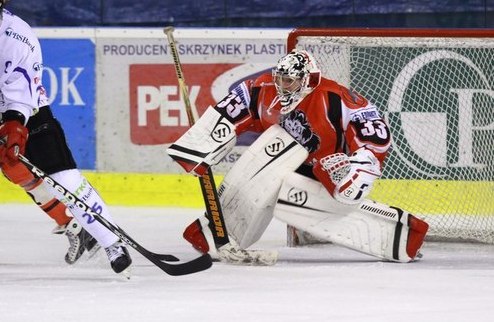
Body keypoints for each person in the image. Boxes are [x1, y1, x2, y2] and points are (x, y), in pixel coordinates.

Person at [167, 49, 429, 263]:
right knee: (276, 144)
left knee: (290, 198)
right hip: (283, 163)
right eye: (279, 78)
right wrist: (200, 144)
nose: (281, 86)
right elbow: (228, 112)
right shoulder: (260, 90)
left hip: (324, 172)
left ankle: (403, 236)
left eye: (289, 80)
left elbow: (374, 129)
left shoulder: (335, 98)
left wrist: (363, 166)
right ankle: (214, 234)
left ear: (307, 80)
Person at [0, 1, 132, 275]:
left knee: (65, 179)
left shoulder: (15, 35)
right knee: (17, 171)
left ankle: (111, 241)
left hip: (27, 115)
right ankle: (73, 226)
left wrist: (13, 125)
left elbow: (20, 91)